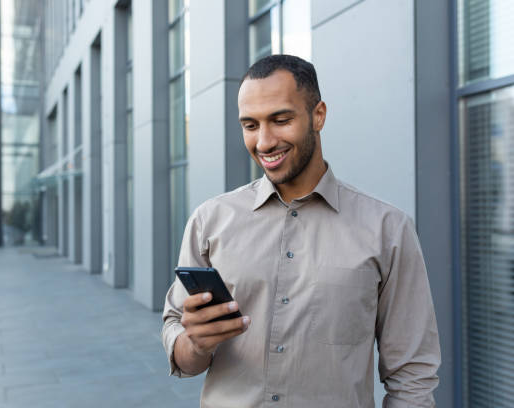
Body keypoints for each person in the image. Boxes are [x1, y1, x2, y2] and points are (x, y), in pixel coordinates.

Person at [162, 54, 440, 407]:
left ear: (318, 115)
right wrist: (196, 343)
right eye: (250, 125)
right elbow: (181, 349)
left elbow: (412, 375)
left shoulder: (388, 229)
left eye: (280, 120)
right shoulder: (210, 220)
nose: (263, 142)